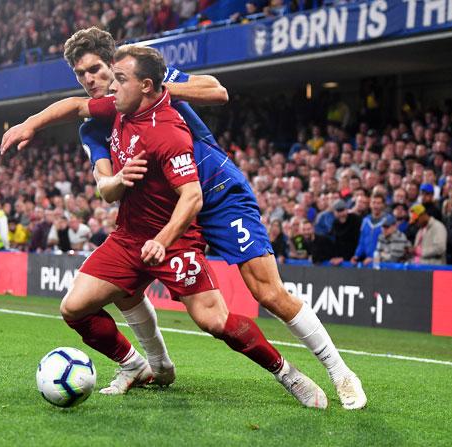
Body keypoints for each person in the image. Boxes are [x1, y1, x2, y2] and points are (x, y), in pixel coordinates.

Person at [1, 28, 365, 409]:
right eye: (80, 74)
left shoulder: (151, 84)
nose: (88, 80)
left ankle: (340, 373)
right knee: (122, 286)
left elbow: (217, 92)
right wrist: (33, 126)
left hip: (215, 194)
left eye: (95, 69)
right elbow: (84, 134)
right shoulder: (97, 121)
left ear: (118, 66)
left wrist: (159, 90)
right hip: (161, 214)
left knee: (268, 292)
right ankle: (148, 366)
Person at [66, 46, 328, 407]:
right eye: (82, 74)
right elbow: (80, 123)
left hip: (173, 238)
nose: (100, 83)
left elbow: (192, 196)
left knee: (214, 320)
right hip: (129, 235)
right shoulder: (113, 114)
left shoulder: (169, 130)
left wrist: (162, 238)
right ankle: (135, 365)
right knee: (73, 307)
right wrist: (28, 125)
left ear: (143, 84)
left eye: (110, 75)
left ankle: (288, 373)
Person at [351, 193, 388, 266]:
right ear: (370, 204)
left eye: (379, 203)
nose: (376, 206)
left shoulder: (388, 221)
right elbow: (362, 241)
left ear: (383, 205)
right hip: (367, 261)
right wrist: (356, 255)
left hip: (383, 263)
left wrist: (376, 258)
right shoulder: (365, 221)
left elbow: (389, 244)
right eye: (374, 203)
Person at [329, 199, 361, 266]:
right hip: (340, 259)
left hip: (354, 258)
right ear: (334, 212)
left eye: (342, 210)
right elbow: (335, 243)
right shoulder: (335, 223)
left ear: (347, 210)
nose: (341, 214)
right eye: (338, 211)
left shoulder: (355, 220)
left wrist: (344, 258)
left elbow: (357, 241)